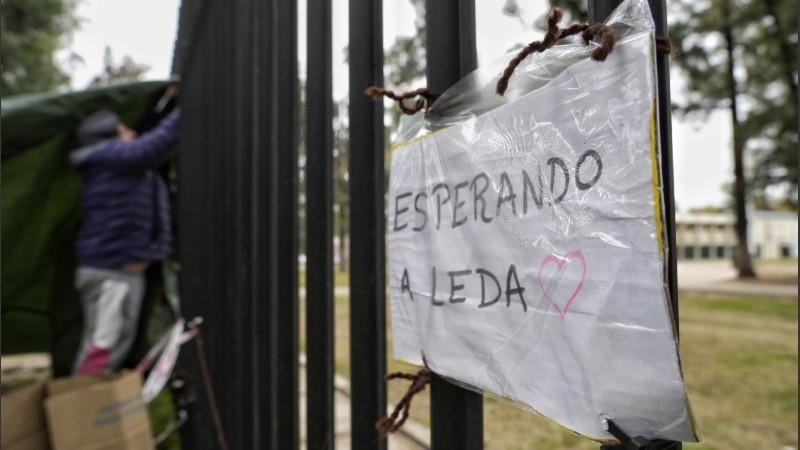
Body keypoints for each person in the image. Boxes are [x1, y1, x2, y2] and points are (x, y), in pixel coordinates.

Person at [70, 103, 180, 374]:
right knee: (101, 351)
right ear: (111, 134)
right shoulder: (111, 156)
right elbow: (153, 144)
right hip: (111, 273)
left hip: (118, 273)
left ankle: (86, 410)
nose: (132, 132)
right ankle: (76, 411)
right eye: (124, 128)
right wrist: (188, 104)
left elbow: (147, 137)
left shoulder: (112, 160)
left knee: (109, 348)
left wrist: (166, 106)